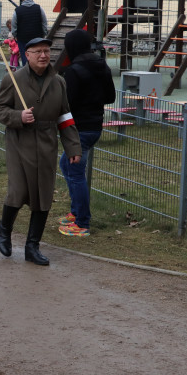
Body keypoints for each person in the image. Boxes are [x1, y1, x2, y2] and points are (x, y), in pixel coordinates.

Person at [0, 37, 81, 265]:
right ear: (27, 55)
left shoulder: (58, 82)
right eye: (38, 51)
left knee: (43, 195)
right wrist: (17, 116)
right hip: (20, 142)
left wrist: (72, 146)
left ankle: (32, 246)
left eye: (46, 51)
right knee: (18, 191)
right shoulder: (14, 79)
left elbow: (65, 116)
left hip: (47, 143)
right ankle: (4, 229)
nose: (43, 55)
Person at [57, 29, 116, 238]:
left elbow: (68, 103)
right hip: (95, 126)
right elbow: (110, 96)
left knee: (75, 172)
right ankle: (75, 212)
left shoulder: (73, 71)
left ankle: (82, 222)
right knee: (66, 164)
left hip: (79, 129)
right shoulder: (102, 65)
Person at [11, 0, 48, 67]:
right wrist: (44, 33)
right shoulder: (39, 8)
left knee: (25, 56)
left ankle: (26, 72)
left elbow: (14, 25)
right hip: (37, 37)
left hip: (22, 38)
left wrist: (15, 35)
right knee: (37, 55)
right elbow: (44, 22)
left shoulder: (17, 11)